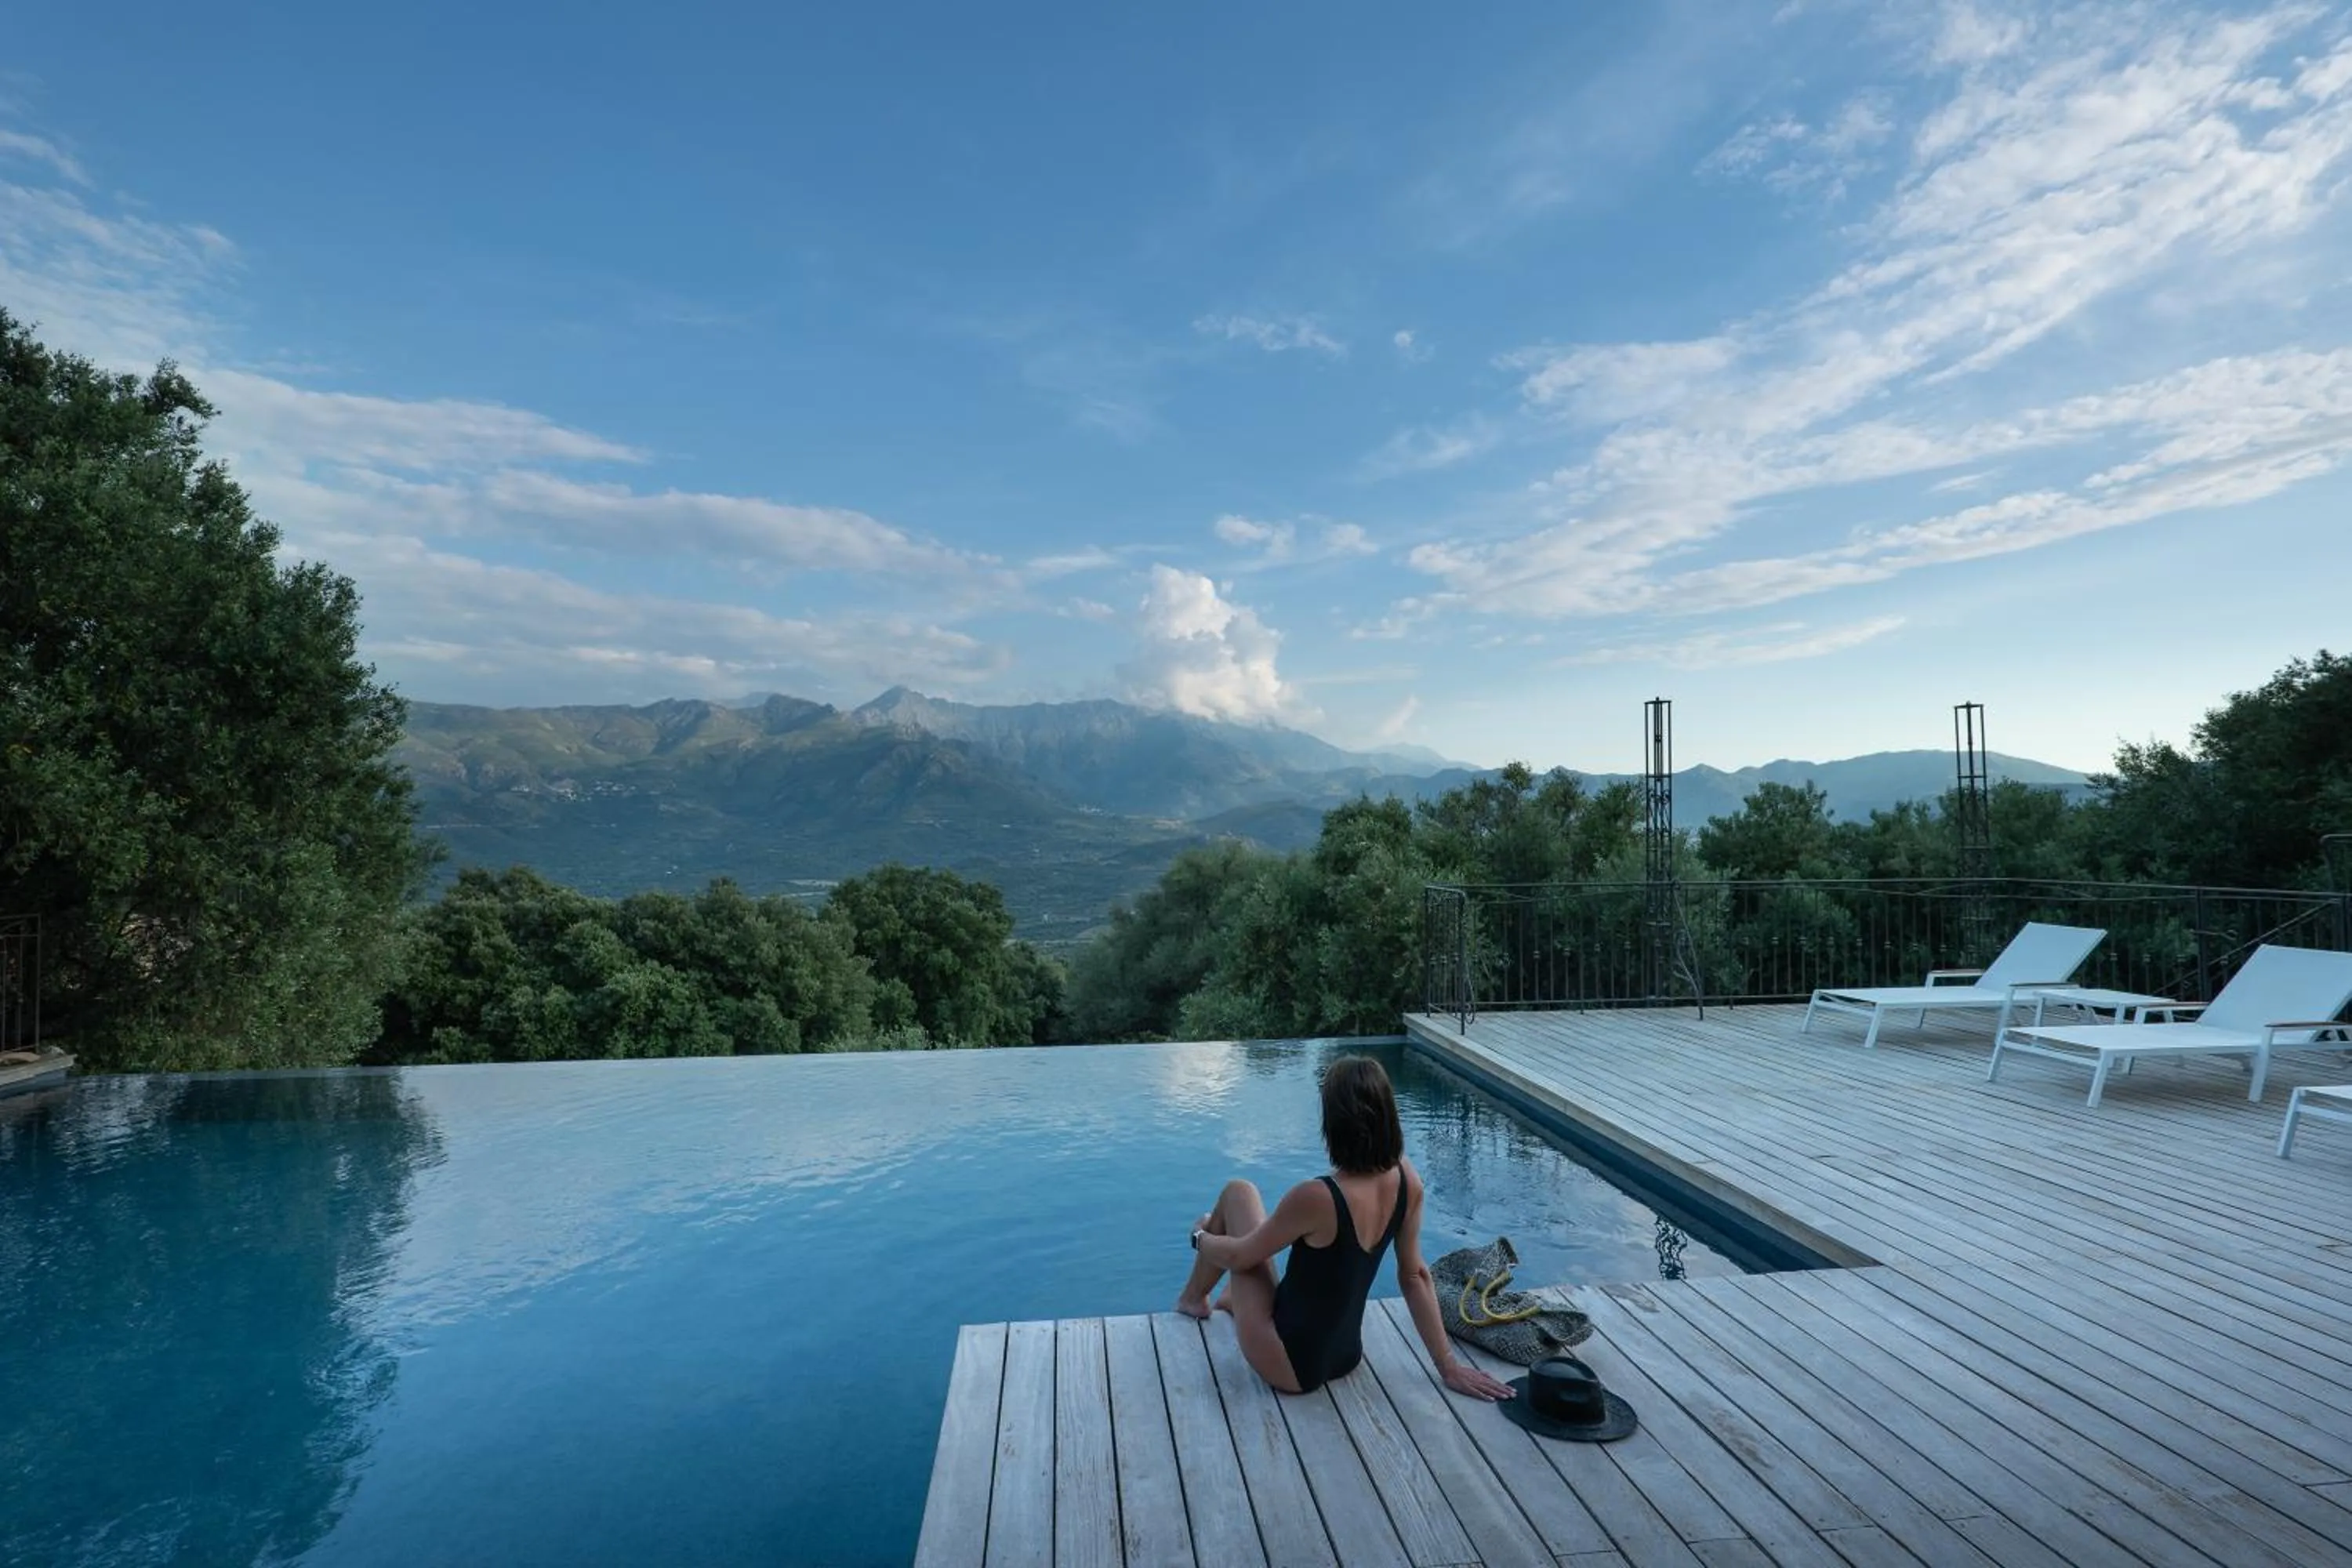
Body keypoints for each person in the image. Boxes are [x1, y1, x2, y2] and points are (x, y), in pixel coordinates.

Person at [1175, 1054, 1517, 1402]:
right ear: (1388, 1114)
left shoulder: (1317, 1197)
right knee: (1245, 1201)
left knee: (1237, 1193)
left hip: (1288, 1363)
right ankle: (1222, 1300)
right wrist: (1448, 1366)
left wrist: (1200, 1236)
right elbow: (1415, 1276)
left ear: (1334, 1123)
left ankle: (1193, 1299)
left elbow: (1237, 1255)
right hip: (1345, 1355)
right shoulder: (1407, 1180)